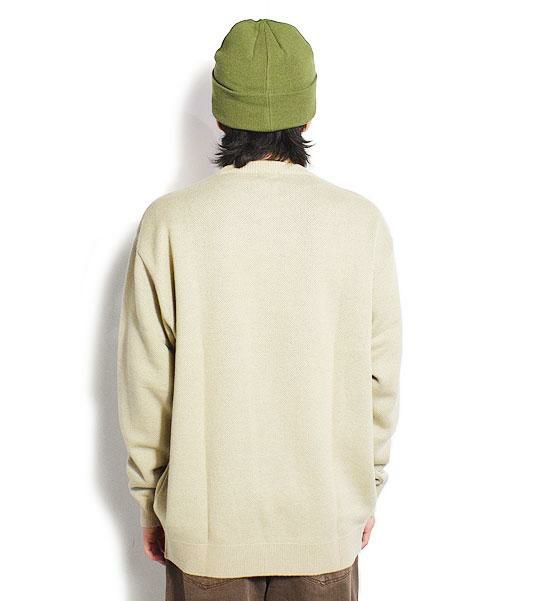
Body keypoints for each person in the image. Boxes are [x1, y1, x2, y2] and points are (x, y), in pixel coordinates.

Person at [117, 18, 402, 601]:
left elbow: (146, 384)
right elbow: (380, 379)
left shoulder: (169, 223)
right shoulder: (360, 224)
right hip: (323, 527)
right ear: (307, 115)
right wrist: (364, 488)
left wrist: (150, 501)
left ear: (221, 115)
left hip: (206, 535)